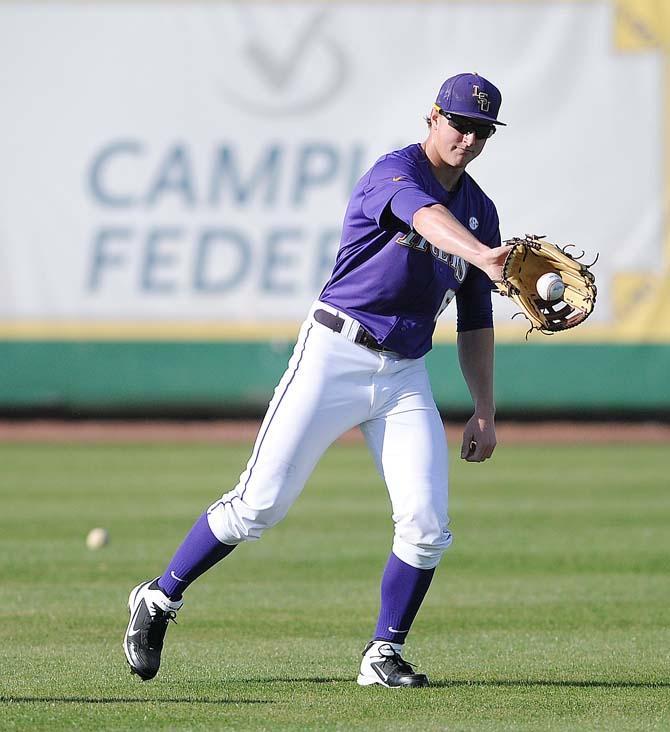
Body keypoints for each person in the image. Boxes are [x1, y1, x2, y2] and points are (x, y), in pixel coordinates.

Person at [123, 72, 510, 688]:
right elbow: (425, 216)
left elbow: (476, 320)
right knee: (259, 506)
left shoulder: (481, 212)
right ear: (432, 116)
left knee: (427, 524)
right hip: (335, 351)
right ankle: (160, 597)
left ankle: (383, 653)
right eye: (459, 123)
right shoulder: (395, 172)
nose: (468, 137)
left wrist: (485, 409)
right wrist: (483, 254)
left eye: (481, 130)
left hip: (405, 371)